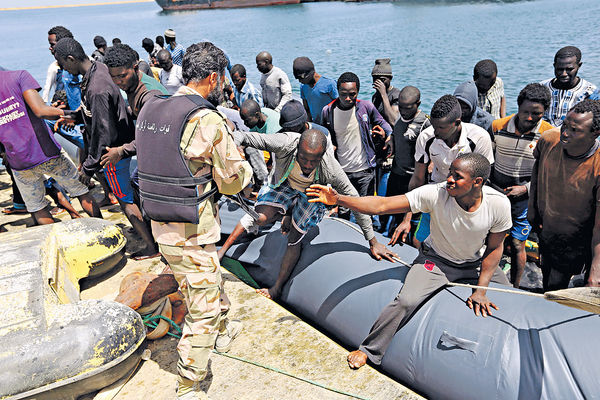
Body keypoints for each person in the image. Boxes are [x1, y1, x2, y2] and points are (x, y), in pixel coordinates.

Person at [306, 153, 512, 369]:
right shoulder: (435, 193)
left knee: (509, 294)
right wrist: (338, 200)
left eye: (457, 176)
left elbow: (495, 248)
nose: (448, 179)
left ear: (477, 182)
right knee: (406, 301)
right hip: (437, 262)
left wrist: (480, 290)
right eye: (450, 172)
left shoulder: (498, 204)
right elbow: (382, 205)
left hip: (474, 264)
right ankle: (369, 350)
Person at [134, 41, 252, 399]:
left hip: (160, 224)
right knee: (202, 309)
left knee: (194, 283)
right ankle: (189, 384)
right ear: (214, 78)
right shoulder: (208, 119)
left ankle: (221, 329)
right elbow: (232, 181)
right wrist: (243, 163)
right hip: (191, 229)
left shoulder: (152, 107)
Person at [218, 128, 396, 299]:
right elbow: (244, 136)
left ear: (322, 156)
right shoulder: (285, 143)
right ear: (297, 150)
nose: (308, 165)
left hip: (311, 193)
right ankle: (222, 252)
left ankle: (277, 288)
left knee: (294, 238)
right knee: (261, 218)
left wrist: (372, 241)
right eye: (303, 158)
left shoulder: (331, 169)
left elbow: (356, 200)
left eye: (314, 160)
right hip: (284, 183)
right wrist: (236, 150)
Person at [53, 38, 159, 260]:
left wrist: (89, 167)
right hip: (126, 140)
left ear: (70, 59)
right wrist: (77, 117)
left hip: (114, 151)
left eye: (61, 63)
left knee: (125, 200)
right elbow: (101, 113)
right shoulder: (100, 68)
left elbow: (103, 133)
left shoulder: (97, 88)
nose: (62, 68)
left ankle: (150, 246)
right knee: (133, 193)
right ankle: (148, 230)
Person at [0, 69, 102, 224]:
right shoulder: (19, 76)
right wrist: (73, 115)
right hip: (45, 151)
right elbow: (41, 111)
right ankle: (102, 230)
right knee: (81, 191)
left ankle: (59, 244)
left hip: (19, 161)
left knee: (38, 207)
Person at [391, 94, 494, 247]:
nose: (435, 131)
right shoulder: (426, 137)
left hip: (466, 201)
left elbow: (484, 182)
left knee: (459, 247)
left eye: (441, 127)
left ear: (457, 123)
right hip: (437, 194)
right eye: (433, 125)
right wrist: (407, 219)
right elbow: (418, 179)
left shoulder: (479, 138)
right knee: (419, 241)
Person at [528, 99, 600, 291]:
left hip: (577, 239)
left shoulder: (597, 166)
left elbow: (599, 230)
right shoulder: (549, 140)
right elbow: (536, 171)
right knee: (546, 274)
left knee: (556, 285)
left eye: (575, 130)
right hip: (547, 229)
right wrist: (532, 209)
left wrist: (595, 272)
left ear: (595, 133)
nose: (565, 133)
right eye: (565, 125)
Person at [490, 83, 553, 288]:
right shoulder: (497, 126)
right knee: (491, 239)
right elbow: (487, 158)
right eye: (525, 112)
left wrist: (524, 189)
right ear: (517, 106)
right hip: (496, 193)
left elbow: (547, 173)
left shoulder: (549, 135)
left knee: (518, 244)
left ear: (545, 112)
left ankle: (514, 287)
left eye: (536, 114)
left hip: (525, 198)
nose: (529, 118)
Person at [320, 72, 392, 220]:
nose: (348, 98)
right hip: (341, 173)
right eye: (343, 94)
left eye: (352, 94)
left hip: (365, 171)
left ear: (357, 92)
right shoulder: (328, 111)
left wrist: (387, 136)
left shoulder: (366, 107)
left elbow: (386, 126)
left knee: (365, 214)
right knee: (344, 213)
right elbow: (322, 136)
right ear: (338, 92)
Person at [386, 86, 430, 242]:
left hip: (412, 179)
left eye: (408, 108)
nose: (403, 111)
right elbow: (396, 132)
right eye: (401, 107)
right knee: (390, 214)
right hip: (395, 174)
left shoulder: (425, 123)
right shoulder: (400, 116)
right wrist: (391, 140)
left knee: (409, 219)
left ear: (418, 103)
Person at [540, 46, 597, 127]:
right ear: (554, 66)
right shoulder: (543, 87)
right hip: (542, 135)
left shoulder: (590, 91)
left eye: (569, 69)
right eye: (559, 69)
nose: (564, 74)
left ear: (579, 66)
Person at [293, 56, 337, 123]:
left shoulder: (330, 84)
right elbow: (306, 108)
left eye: (301, 78)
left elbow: (339, 105)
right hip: (316, 123)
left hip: (331, 123)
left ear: (311, 73)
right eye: (298, 79)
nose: (300, 81)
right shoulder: (303, 87)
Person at [371, 58, 400, 126]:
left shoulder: (396, 95)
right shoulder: (375, 96)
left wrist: (383, 94)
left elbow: (393, 121)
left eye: (382, 80)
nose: (378, 83)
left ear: (390, 78)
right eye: (375, 79)